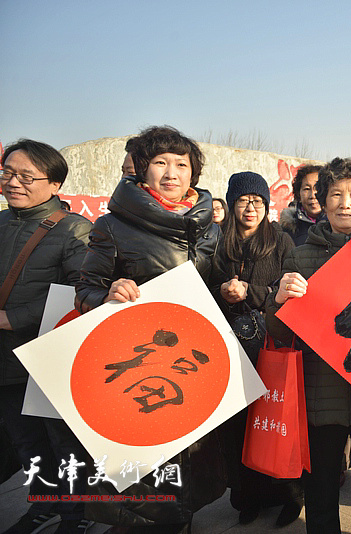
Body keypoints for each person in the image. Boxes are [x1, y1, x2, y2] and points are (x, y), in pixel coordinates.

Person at [76, 126, 224, 532]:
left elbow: (212, 286)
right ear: (141, 170)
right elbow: (84, 289)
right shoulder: (113, 226)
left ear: (194, 173)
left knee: (193, 467)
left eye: (182, 164)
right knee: (145, 473)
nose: (172, 173)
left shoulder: (210, 226)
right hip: (139, 365)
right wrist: (107, 293)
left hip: (195, 362)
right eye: (160, 163)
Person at [266, 157, 351, 534]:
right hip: (321, 397)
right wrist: (278, 301)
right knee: (321, 492)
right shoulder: (300, 256)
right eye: (336, 194)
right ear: (321, 202)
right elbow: (279, 332)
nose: (345, 203)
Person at [0, 140, 93, 534]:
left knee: (64, 447)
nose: (13, 183)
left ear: (54, 184)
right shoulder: (2, 222)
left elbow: (85, 292)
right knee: (26, 445)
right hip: (4, 361)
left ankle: (75, 518)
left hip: (46, 360)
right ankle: (43, 504)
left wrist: (14, 318)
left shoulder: (75, 230)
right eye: (7, 172)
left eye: (26, 176)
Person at [209, 172, 300, 527]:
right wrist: (224, 292)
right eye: (244, 200)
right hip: (229, 347)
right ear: (232, 204)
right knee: (239, 425)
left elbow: (289, 288)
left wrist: (253, 293)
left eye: (258, 201)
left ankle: (290, 495)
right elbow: (203, 283)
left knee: (277, 420)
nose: (251, 207)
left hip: (271, 343)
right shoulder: (216, 242)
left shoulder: (282, 242)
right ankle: (248, 496)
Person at [280, 164, 324, 246]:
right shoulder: (286, 231)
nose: (313, 196)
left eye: (317, 188)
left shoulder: (339, 226)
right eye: (307, 189)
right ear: (298, 194)